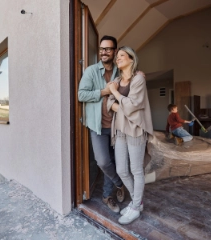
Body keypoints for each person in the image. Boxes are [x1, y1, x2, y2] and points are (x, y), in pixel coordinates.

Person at [78, 35, 125, 213]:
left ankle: (107, 196)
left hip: (116, 126)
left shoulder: (119, 72)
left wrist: (139, 74)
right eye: (101, 49)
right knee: (103, 162)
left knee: (114, 161)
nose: (104, 52)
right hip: (98, 127)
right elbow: (81, 95)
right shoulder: (91, 71)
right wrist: (104, 91)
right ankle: (119, 183)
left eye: (108, 49)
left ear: (114, 51)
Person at [107, 46, 153, 225]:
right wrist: (118, 103)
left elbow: (134, 104)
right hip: (119, 129)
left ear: (131, 60)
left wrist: (116, 93)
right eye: (117, 56)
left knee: (136, 170)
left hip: (135, 129)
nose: (117, 58)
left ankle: (135, 207)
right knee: (121, 170)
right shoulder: (117, 79)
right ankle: (137, 202)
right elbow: (109, 103)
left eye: (121, 56)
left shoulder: (139, 78)